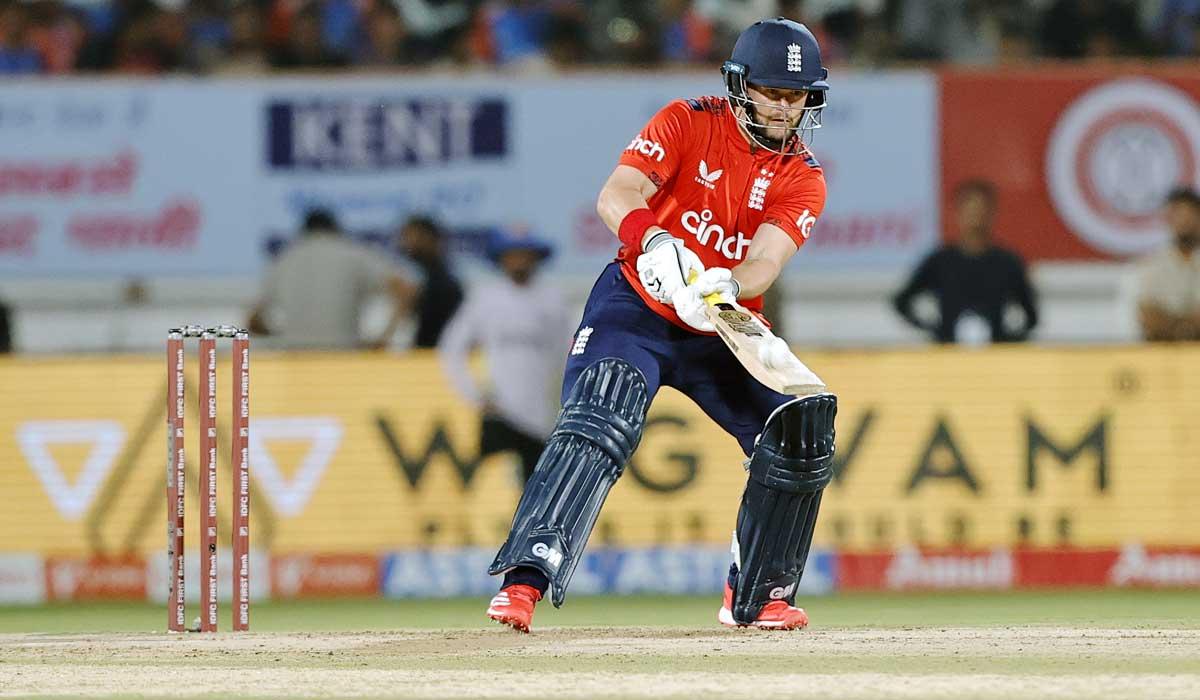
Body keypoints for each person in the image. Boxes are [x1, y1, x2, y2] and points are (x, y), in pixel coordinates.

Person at [484, 18, 837, 633]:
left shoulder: (803, 175)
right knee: (603, 413)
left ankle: (757, 598)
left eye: (797, 95)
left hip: (720, 321)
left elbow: (765, 264)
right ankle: (524, 583)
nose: (785, 108)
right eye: (772, 92)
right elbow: (615, 194)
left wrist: (728, 283)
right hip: (636, 306)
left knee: (799, 431)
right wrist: (652, 240)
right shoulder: (685, 120)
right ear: (739, 85)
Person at [438, 228, 569, 485]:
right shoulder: (486, 298)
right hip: (501, 413)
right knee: (496, 486)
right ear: (501, 258)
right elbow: (452, 348)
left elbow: (568, 350)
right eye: (513, 255)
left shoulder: (553, 298)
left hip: (542, 414)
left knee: (537, 486)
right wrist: (475, 394)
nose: (519, 261)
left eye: (525, 254)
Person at [892, 180, 1038, 344]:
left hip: (994, 356)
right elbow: (902, 301)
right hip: (949, 354)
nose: (975, 216)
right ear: (958, 213)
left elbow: (1031, 316)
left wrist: (1008, 339)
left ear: (992, 213)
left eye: (981, 210)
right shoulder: (940, 261)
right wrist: (934, 329)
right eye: (970, 210)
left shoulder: (1008, 263)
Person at [247, 208, 415, 349]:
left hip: (295, 356)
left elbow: (253, 321)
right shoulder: (352, 252)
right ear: (335, 228)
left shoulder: (285, 259)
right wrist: (383, 338)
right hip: (341, 354)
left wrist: (283, 335)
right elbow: (404, 289)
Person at [388, 215, 464, 349]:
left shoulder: (444, 285)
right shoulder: (422, 279)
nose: (406, 243)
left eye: (411, 236)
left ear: (429, 238)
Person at [1136, 186, 1200, 341]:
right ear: (1169, 219)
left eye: (1189, 214)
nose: (1184, 221)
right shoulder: (1152, 264)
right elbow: (1148, 315)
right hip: (1161, 351)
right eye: (1178, 214)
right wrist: (1184, 329)